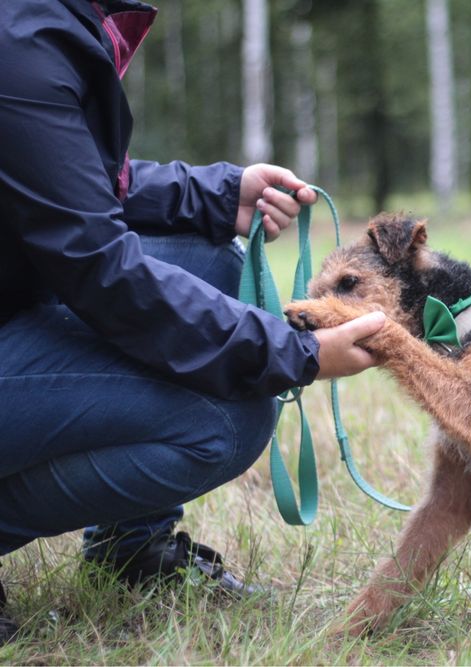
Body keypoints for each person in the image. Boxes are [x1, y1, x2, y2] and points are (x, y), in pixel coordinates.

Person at [0, 0, 386, 643]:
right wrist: (298, 353)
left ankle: (135, 550)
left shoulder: (47, 22)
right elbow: (101, 273)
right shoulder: (18, 45)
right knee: (226, 422)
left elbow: (62, 182)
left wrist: (211, 195)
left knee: (213, 261)